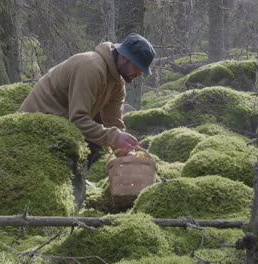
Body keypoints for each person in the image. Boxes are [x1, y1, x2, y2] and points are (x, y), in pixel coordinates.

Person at [19, 33, 156, 209]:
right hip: (37, 123)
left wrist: (123, 151)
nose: (138, 74)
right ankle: (65, 200)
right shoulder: (91, 67)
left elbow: (113, 123)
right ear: (123, 58)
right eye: (137, 67)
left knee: (99, 138)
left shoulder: (117, 84)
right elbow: (78, 119)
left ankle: (74, 191)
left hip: (62, 124)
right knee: (96, 137)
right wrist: (113, 137)